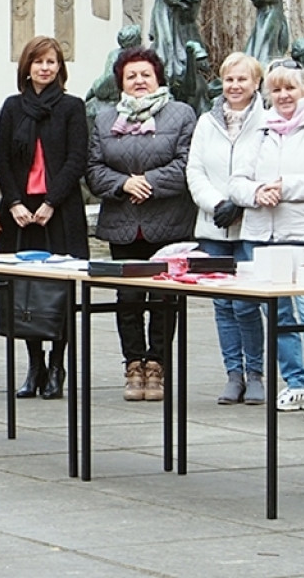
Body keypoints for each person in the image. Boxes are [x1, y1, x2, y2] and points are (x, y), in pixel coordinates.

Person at [86, 47, 197, 401]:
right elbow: (93, 169)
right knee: (129, 298)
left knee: (165, 299)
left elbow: (187, 163)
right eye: (131, 75)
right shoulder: (104, 119)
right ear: (121, 81)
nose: (139, 81)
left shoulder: (180, 114)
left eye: (145, 74)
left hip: (169, 223)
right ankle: (134, 364)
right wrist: (123, 185)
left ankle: (157, 365)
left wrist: (146, 181)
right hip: (123, 223)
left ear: (157, 78)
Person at [229, 60, 304, 422]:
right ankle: (296, 380)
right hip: (262, 232)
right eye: (277, 89)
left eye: (290, 88)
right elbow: (236, 181)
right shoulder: (259, 131)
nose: (284, 95)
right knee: (277, 310)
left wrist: (284, 187)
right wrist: (258, 192)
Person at [0, 36, 88, 400]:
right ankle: (34, 365)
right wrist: (15, 202)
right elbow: (1, 159)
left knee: (58, 293)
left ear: (60, 68)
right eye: (38, 62)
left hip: (58, 212)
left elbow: (75, 160)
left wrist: (51, 202)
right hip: (21, 214)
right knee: (24, 293)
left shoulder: (72, 107)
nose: (45, 68)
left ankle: (57, 365)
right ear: (27, 67)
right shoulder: (13, 107)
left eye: (51, 62)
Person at [186, 52, 266, 405]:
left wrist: (241, 201)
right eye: (229, 79)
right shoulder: (207, 122)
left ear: (256, 83)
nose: (235, 86)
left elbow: (269, 168)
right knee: (223, 304)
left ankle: (256, 373)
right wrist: (217, 203)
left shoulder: (268, 121)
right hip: (213, 227)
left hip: (252, 225)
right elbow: (195, 170)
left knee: (248, 304)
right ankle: (232, 373)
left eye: (242, 79)